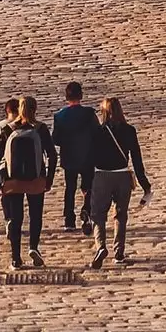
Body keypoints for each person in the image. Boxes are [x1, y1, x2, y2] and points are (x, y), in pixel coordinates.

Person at [0, 97, 56, 271]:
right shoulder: (40, 129)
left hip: (13, 180)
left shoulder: (7, 129)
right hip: (36, 178)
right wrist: (48, 178)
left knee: (15, 218)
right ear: (35, 109)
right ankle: (33, 247)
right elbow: (52, 154)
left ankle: (15, 258)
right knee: (35, 216)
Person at [87, 96, 151, 268]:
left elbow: (89, 159)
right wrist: (146, 186)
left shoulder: (97, 132)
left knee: (98, 214)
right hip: (123, 177)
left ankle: (101, 246)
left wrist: (86, 184)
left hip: (101, 176)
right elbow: (137, 161)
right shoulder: (129, 131)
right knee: (121, 216)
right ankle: (119, 253)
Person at [52, 81, 99, 235]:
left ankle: (69, 219)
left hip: (69, 157)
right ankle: (87, 210)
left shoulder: (60, 116)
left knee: (70, 188)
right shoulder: (89, 114)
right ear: (81, 96)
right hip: (88, 157)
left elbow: (56, 139)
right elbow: (97, 133)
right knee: (88, 187)